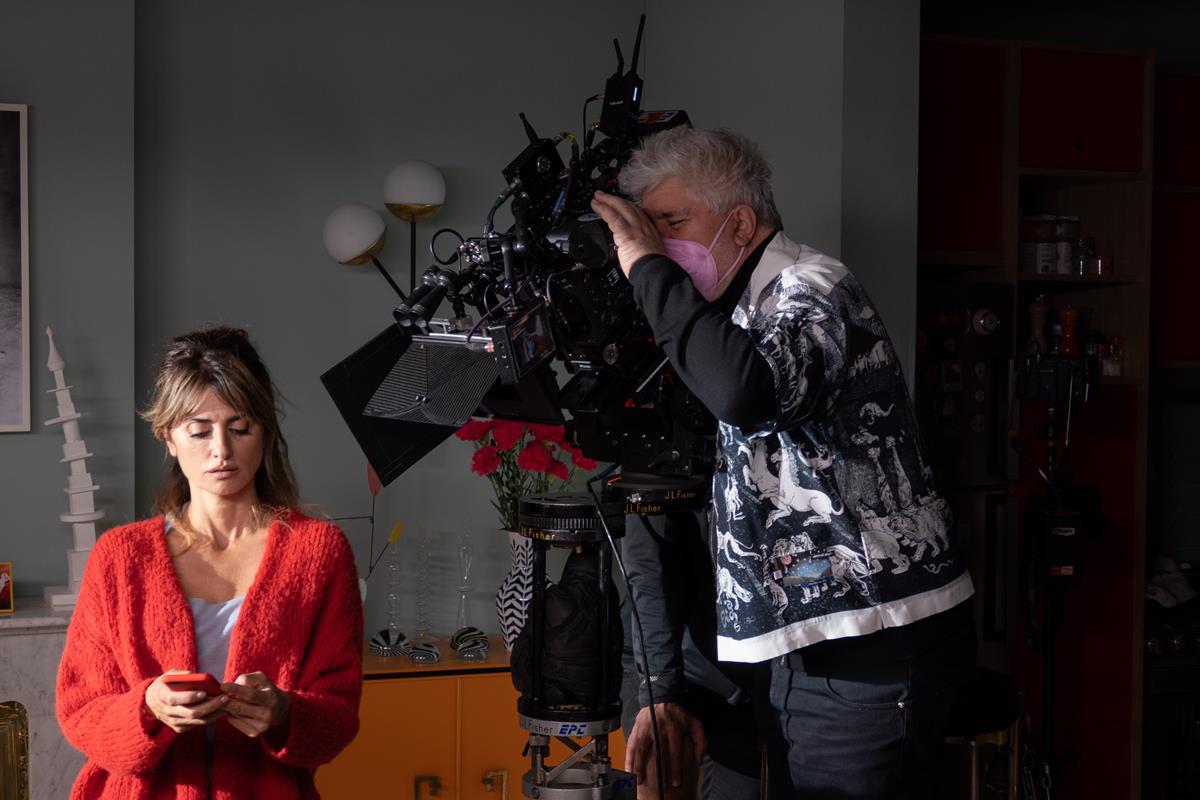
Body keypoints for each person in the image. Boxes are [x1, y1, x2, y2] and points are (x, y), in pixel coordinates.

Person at [591, 128, 975, 799]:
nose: (654, 245)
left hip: (866, 640)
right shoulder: (732, 312)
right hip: (800, 638)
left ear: (740, 222)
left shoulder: (812, 287)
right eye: (645, 230)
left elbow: (747, 391)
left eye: (672, 224)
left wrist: (647, 269)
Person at [56, 325, 363, 799]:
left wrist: (283, 712)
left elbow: (339, 716)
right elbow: (81, 710)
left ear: (265, 432)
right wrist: (147, 708)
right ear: (168, 437)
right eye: (199, 431)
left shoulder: (318, 552)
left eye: (240, 428)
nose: (221, 450)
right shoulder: (120, 557)